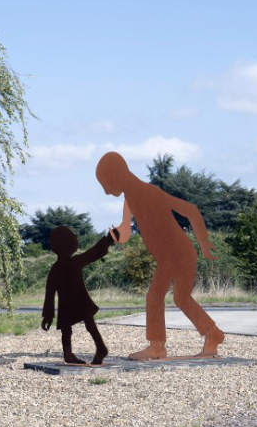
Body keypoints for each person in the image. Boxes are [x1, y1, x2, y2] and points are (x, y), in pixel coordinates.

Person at [96, 151, 225, 360]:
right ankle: (210, 335)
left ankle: (160, 346)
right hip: (169, 256)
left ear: (116, 175)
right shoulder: (131, 197)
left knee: (166, 298)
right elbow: (126, 232)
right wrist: (115, 236)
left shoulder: (148, 192)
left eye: (106, 184)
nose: (106, 191)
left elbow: (191, 210)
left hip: (178, 253)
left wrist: (203, 243)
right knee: (175, 298)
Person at [41, 226, 118, 365]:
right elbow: (93, 253)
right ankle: (94, 348)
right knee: (86, 325)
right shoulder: (73, 262)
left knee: (74, 327)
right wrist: (108, 240)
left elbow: (49, 294)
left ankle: (86, 350)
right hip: (77, 301)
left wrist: (48, 315)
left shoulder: (57, 268)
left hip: (71, 302)